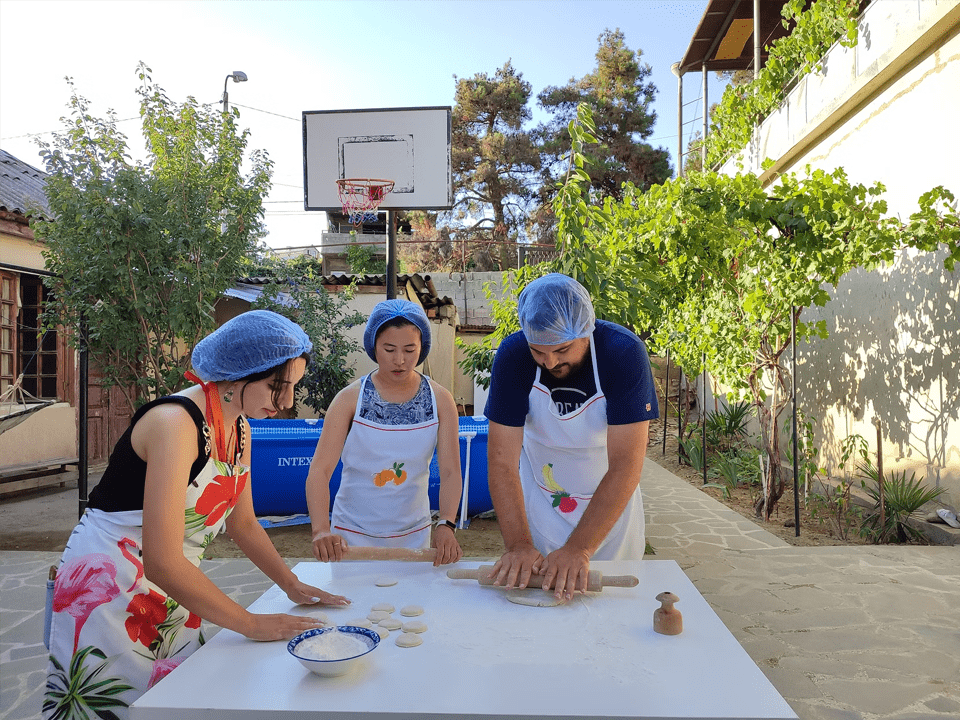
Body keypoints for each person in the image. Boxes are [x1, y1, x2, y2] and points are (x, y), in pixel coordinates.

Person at [44, 311, 350, 720]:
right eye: (278, 386)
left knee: (172, 698)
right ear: (240, 374)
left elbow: (243, 523)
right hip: (110, 586)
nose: (288, 402)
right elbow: (162, 559)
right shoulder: (174, 424)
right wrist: (251, 624)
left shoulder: (240, 429)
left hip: (174, 581)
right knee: (115, 702)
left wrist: (292, 584)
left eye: (293, 387)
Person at [484, 273, 659, 600]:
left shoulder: (622, 354)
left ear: (586, 332)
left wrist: (580, 548)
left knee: (612, 612)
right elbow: (502, 461)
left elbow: (625, 465)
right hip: (544, 501)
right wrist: (519, 545)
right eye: (538, 351)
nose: (550, 362)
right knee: (542, 610)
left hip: (610, 507)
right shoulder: (513, 357)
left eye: (562, 349)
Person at [306, 299, 463, 566]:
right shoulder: (349, 399)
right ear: (373, 347)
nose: (399, 360)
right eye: (389, 349)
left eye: (410, 350)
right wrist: (321, 529)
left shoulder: (441, 401)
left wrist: (446, 524)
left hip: (414, 536)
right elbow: (320, 469)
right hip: (352, 538)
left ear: (422, 348)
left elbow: (450, 471)